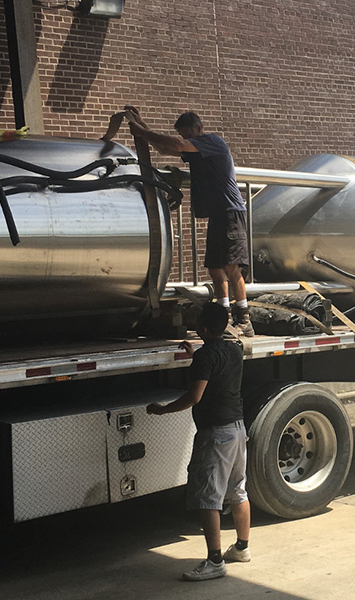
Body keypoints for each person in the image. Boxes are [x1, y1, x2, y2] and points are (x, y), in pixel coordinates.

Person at [123, 105, 254, 336]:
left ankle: (244, 319)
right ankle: (221, 319)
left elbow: (177, 145)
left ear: (199, 128)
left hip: (230, 212)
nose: (185, 139)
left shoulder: (213, 142)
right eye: (183, 135)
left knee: (232, 267)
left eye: (188, 134)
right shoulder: (194, 148)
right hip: (217, 214)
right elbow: (165, 149)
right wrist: (141, 124)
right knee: (214, 267)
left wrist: (144, 132)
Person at [146, 303, 251, 581]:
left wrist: (162, 409)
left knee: (209, 498)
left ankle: (215, 561)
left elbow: (195, 397)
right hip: (238, 428)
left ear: (203, 328)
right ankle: (241, 547)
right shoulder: (235, 350)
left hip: (216, 433)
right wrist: (197, 357)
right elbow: (218, 368)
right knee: (238, 489)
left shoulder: (206, 357)